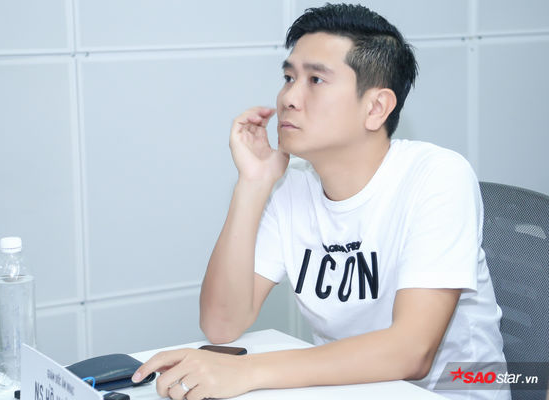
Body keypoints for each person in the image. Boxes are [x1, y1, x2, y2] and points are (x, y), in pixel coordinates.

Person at [132, 4, 508, 400]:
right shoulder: (292, 186)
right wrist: (253, 184)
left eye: (315, 79)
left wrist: (246, 371)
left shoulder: (438, 175)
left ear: (376, 108)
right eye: (288, 77)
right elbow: (221, 325)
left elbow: (411, 352)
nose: (289, 97)